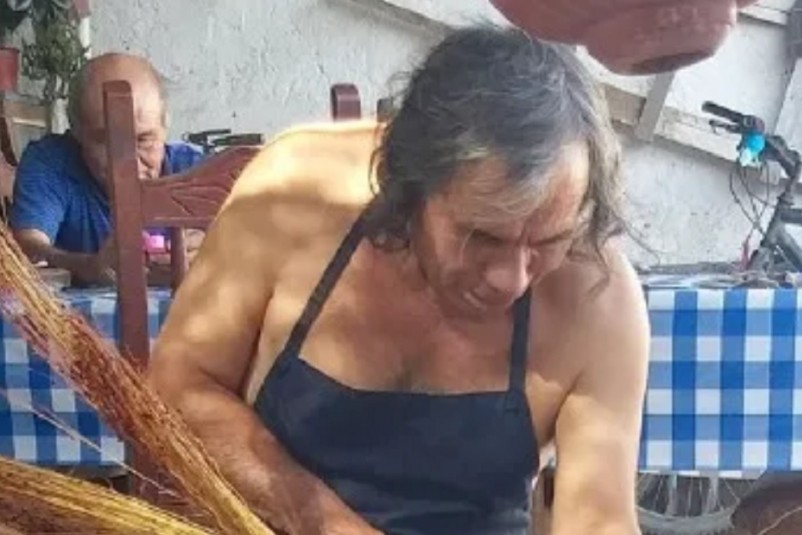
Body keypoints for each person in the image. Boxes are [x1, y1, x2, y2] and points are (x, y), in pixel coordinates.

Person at [149, 26, 649, 535]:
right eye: (481, 236)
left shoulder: (597, 295)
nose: (511, 279)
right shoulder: (295, 191)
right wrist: (323, 521)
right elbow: (179, 383)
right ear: (410, 188)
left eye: (548, 241)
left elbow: (599, 521)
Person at [9, 53, 204, 286]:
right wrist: (89, 266)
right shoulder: (51, 162)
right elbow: (27, 249)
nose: (129, 163)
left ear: (165, 127)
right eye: (106, 141)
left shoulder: (197, 171)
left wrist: (215, 250)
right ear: (77, 133)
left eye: (144, 140)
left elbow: (243, 242)